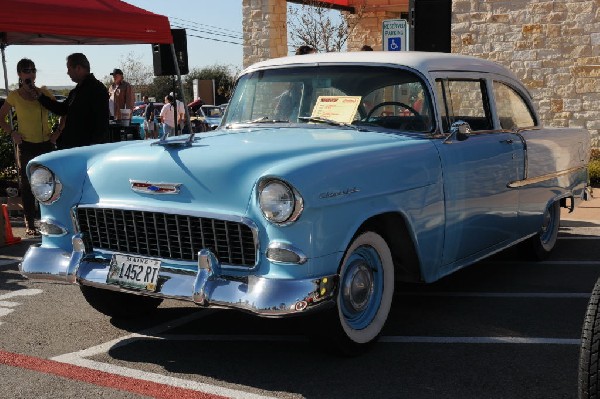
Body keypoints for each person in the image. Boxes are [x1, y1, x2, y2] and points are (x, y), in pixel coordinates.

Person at [0, 58, 56, 236]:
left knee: (50, 182)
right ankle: (30, 222)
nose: (30, 73)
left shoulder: (44, 93)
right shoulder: (14, 96)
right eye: (26, 70)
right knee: (27, 184)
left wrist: (58, 132)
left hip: (45, 143)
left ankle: (51, 222)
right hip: (26, 145)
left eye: (33, 70)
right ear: (19, 74)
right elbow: (1, 118)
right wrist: (12, 133)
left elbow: (62, 111)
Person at [37, 53, 109, 149]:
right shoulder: (77, 90)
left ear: (78, 68)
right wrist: (41, 97)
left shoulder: (97, 89)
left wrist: (93, 147)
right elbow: (62, 109)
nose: (68, 73)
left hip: (86, 149)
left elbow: (102, 122)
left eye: (69, 69)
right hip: (73, 146)